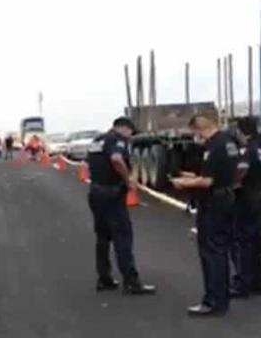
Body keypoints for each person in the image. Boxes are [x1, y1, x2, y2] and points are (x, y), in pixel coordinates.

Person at [172, 115, 240, 317]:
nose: (195, 137)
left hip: (213, 203)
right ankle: (222, 298)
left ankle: (213, 301)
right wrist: (192, 177)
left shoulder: (213, 146)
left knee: (211, 253)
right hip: (227, 197)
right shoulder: (229, 142)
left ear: (199, 129)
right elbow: (220, 174)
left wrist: (183, 183)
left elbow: (208, 181)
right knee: (221, 250)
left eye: (195, 133)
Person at [86, 117, 156, 295]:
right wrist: (128, 180)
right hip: (112, 194)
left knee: (102, 237)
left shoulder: (97, 141)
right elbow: (116, 159)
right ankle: (131, 281)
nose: (130, 137)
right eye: (130, 133)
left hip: (96, 193)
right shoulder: (116, 140)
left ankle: (104, 278)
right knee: (123, 237)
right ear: (124, 128)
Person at [229, 116, 261, 297]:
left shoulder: (247, 150)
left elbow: (240, 174)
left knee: (243, 242)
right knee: (257, 241)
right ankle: (257, 280)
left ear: (241, 131)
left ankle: (243, 283)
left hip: (248, 200)